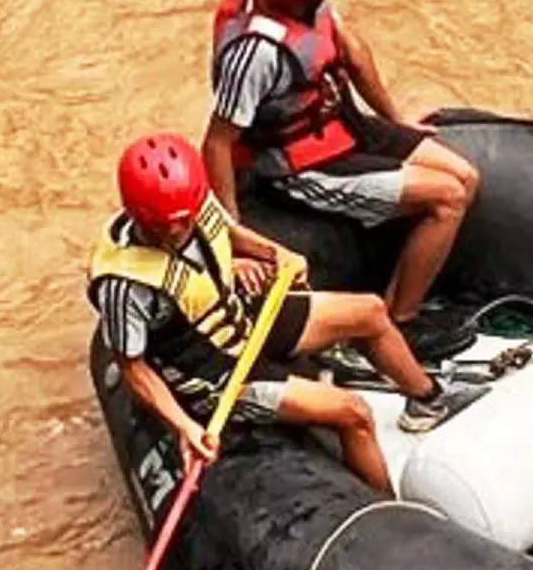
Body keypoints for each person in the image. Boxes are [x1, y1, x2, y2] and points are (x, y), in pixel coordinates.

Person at [93, 138, 423, 495]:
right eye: (164, 225)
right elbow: (133, 367)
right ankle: (389, 507)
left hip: (241, 318)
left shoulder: (192, 204)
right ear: (141, 215)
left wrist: (277, 253)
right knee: (353, 413)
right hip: (215, 376)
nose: (176, 230)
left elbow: (229, 233)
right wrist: (185, 427)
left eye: (183, 220)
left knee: (371, 313)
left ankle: (427, 399)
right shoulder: (125, 286)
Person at [200, 0, 479, 328]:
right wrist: (233, 229)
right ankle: (403, 318)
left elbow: (352, 55)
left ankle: (407, 278)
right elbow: (217, 141)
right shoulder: (254, 52)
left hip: (343, 126)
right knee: (448, 198)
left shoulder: (305, 1)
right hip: (301, 165)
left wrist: (396, 121)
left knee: (465, 176)